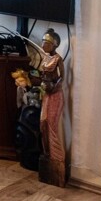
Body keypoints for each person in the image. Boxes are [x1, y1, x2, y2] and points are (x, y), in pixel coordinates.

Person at [37, 28, 66, 185]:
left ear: (54, 45)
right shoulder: (45, 58)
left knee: (51, 124)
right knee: (43, 123)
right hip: (46, 94)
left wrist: (52, 87)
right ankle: (47, 152)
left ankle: (57, 157)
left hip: (54, 95)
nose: (43, 45)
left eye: (46, 43)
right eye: (43, 42)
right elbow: (42, 75)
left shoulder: (58, 59)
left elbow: (61, 78)